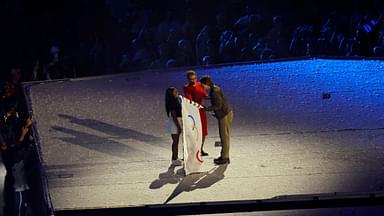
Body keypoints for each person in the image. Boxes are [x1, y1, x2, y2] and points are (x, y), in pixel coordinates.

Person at [200, 76, 233, 165]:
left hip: (224, 115)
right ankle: (224, 156)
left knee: (224, 137)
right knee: (224, 136)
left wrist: (206, 109)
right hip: (224, 113)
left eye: (202, 85)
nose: (202, 87)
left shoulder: (214, 91)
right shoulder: (215, 89)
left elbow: (218, 105)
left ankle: (225, 158)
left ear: (206, 84)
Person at [183, 70, 209, 156]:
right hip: (193, 111)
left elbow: (205, 95)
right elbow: (189, 100)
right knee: (195, 131)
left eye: (194, 78)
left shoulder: (199, 85)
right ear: (188, 79)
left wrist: (212, 97)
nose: (193, 80)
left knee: (204, 131)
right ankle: (194, 149)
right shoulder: (186, 87)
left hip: (201, 111)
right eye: (191, 79)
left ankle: (201, 148)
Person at [165, 87, 183, 166]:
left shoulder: (176, 99)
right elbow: (173, 115)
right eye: (175, 92)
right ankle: (174, 158)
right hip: (174, 122)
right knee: (175, 141)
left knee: (176, 141)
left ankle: (175, 157)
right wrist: (178, 126)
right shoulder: (172, 102)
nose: (177, 92)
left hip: (177, 121)